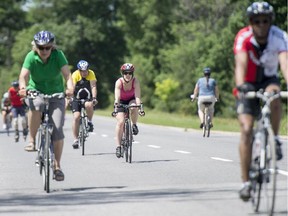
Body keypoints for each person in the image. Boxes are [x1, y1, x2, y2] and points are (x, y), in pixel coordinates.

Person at [233, 2, 288, 201]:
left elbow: (285, 63)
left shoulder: (279, 36)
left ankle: (274, 138)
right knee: (246, 129)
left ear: (271, 21)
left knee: (274, 94)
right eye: (257, 21)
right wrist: (241, 87)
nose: (262, 25)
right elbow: (240, 64)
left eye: (266, 21)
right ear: (251, 22)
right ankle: (246, 182)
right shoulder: (243, 37)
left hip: (268, 80)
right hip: (247, 82)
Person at [18, 30, 74, 181]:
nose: (44, 51)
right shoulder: (31, 56)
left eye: (47, 47)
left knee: (57, 129)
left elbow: (67, 75)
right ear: (35, 46)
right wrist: (23, 89)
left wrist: (70, 89)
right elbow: (23, 76)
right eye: (41, 47)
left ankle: (57, 166)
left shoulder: (58, 55)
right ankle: (31, 141)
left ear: (52, 47)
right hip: (35, 91)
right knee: (37, 105)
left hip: (56, 94)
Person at [113, 63, 142, 158]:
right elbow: (117, 97)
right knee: (120, 122)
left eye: (130, 73)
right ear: (122, 73)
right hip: (120, 101)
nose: (128, 75)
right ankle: (118, 147)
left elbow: (137, 96)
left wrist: (139, 106)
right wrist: (116, 106)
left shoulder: (135, 82)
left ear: (132, 74)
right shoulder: (119, 82)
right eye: (125, 73)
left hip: (131, 100)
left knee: (134, 107)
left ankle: (134, 125)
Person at [71, 60, 98, 149]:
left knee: (89, 105)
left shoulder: (91, 74)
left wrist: (94, 98)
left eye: (86, 70)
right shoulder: (75, 74)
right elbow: (73, 87)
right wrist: (70, 97)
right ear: (79, 70)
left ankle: (89, 122)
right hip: (76, 97)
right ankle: (75, 140)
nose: (85, 73)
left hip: (87, 97)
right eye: (82, 71)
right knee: (76, 117)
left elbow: (93, 86)